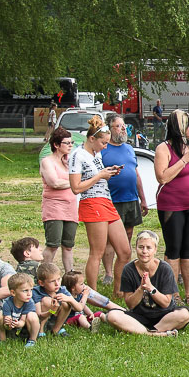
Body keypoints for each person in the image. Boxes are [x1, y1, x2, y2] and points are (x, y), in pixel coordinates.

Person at [69, 114, 132, 298]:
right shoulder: (77, 155)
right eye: (103, 143)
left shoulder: (95, 154)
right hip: (92, 202)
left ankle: (118, 291)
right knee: (97, 251)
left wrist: (109, 172)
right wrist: (100, 176)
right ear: (91, 139)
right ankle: (92, 294)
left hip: (107, 201)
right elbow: (76, 187)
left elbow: (98, 176)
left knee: (125, 251)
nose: (105, 146)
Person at [153, 110, 189, 305]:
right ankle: (172, 293)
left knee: (188, 249)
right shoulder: (163, 149)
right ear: (180, 127)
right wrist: (184, 160)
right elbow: (162, 177)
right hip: (171, 205)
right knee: (174, 249)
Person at [106, 230, 189, 337]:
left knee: (184, 314)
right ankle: (155, 334)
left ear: (155, 250)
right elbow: (130, 304)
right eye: (141, 247)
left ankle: (147, 331)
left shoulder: (165, 269)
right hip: (139, 316)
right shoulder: (128, 269)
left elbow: (166, 303)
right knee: (112, 316)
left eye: (148, 248)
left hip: (164, 315)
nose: (144, 251)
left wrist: (151, 288)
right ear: (136, 248)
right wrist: (141, 288)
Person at [101, 114, 147, 283]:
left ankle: (124, 270)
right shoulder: (103, 149)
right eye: (118, 126)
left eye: (124, 126)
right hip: (112, 199)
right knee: (109, 238)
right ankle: (108, 273)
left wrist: (143, 198)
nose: (122, 129)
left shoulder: (128, 148)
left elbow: (136, 173)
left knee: (127, 234)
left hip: (130, 198)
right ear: (110, 129)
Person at [39, 128, 78, 271]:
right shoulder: (47, 162)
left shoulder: (69, 162)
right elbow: (54, 182)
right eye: (66, 143)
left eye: (71, 142)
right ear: (56, 145)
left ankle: (70, 276)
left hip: (71, 207)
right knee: (53, 244)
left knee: (68, 245)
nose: (70, 145)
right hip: (54, 207)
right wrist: (74, 183)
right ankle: (43, 274)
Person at [0, 273, 40, 347]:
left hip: (26, 329)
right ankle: (2, 339)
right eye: (25, 291)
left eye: (31, 290)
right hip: (13, 329)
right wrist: (8, 323)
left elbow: (22, 322)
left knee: (32, 315)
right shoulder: (8, 303)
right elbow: (7, 326)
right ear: (13, 292)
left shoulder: (29, 302)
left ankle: (32, 340)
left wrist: (18, 324)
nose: (29, 294)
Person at [31, 262, 78, 336]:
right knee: (46, 300)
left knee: (66, 304)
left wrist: (70, 299)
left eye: (59, 279)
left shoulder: (61, 289)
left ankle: (56, 329)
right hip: (40, 319)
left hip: (54, 317)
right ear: (41, 283)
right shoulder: (36, 292)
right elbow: (39, 315)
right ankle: (40, 331)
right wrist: (52, 310)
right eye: (52, 281)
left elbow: (79, 308)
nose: (57, 284)